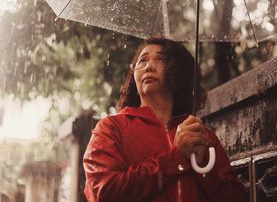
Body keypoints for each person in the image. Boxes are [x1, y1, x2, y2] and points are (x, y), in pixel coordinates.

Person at [83, 38, 246, 202]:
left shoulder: (199, 135)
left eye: (160, 60)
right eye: (142, 61)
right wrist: (176, 157)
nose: (149, 66)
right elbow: (103, 193)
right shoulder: (110, 128)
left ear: (179, 72)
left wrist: (202, 165)